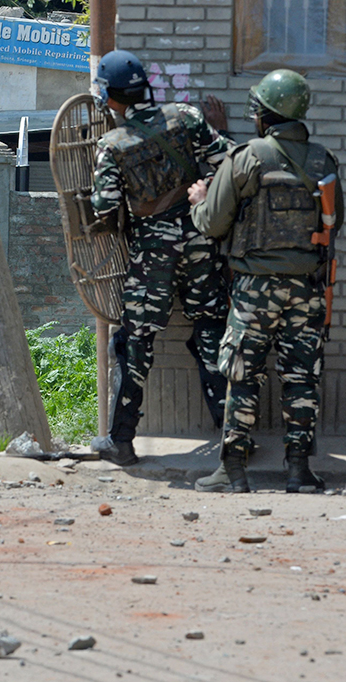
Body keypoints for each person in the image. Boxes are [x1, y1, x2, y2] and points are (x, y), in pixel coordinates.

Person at [189, 70, 343, 494]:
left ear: (265, 115)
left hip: (254, 289)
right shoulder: (323, 161)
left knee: (242, 375)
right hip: (307, 289)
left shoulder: (247, 158)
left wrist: (199, 202)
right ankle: (299, 472)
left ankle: (232, 472)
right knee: (301, 378)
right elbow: (335, 222)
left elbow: (213, 224)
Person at [89, 50, 234, 467]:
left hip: (154, 252)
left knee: (135, 342)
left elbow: (104, 207)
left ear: (110, 97)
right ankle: (233, 438)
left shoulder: (112, 145)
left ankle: (121, 442)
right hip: (201, 240)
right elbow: (229, 162)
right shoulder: (186, 117)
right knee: (211, 331)